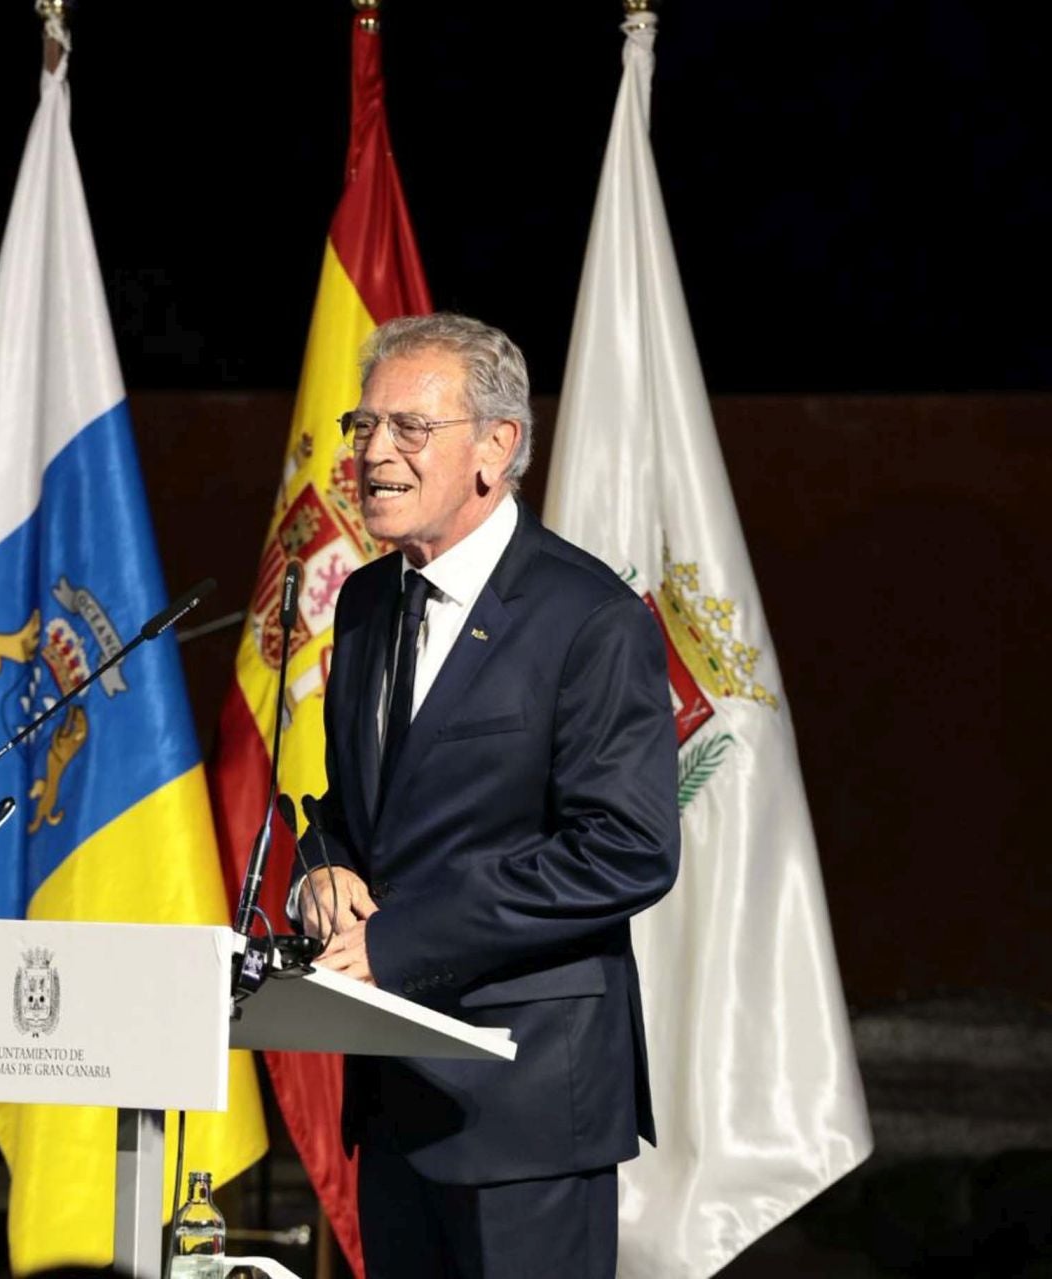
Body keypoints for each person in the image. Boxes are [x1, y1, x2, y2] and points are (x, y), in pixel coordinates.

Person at [292, 313, 680, 1278]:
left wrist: (400, 941)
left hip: (528, 1108)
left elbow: (628, 847)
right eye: (362, 425)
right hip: (392, 1098)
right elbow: (358, 806)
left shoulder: (588, 619)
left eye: (406, 429)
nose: (372, 453)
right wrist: (325, 865)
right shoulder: (368, 602)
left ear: (496, 447)